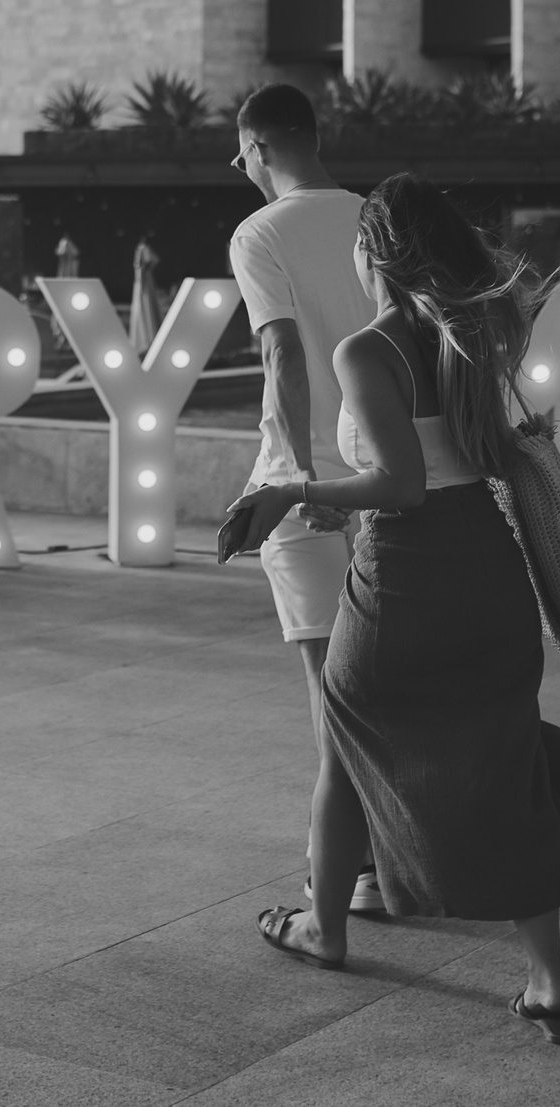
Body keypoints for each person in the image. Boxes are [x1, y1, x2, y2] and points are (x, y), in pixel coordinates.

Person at [227, 174, 560, 1046]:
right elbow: (448, 465)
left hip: (406, 580)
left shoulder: (367, 349)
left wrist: (295, 488)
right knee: (505, 763)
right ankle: (547, 978)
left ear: (372, 250)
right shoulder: (473, 332)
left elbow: (403, 486)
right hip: (490, 573)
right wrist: (345, 497)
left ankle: (325, 928)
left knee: (344, 739)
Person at [227, 84, 386, 917]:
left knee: (333, 694)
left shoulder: (259, 232)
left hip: (309, 491)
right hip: (389, 481)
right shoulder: (377, 220)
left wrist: (292, 474)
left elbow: (283, 356)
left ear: (258, 147)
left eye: (239, 154)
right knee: (388, 683)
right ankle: (393, 862)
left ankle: (353, 878)